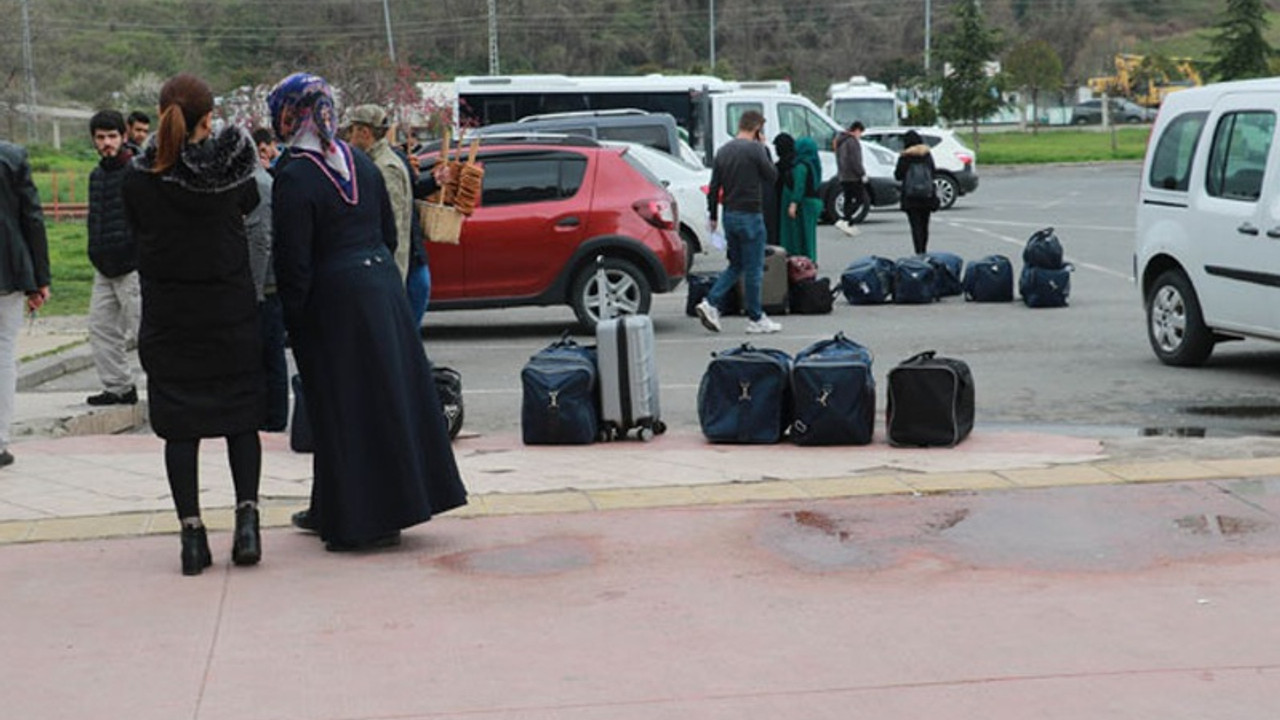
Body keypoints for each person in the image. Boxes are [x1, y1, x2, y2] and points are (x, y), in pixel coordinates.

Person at [267, 73, 466, 552]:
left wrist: (296, 322)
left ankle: (364, 518)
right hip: (380, 291)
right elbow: (390, 234)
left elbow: (294, 262)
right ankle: (336, 505)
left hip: (335, 301)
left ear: (289, 115)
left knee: (344, 407)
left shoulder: (294, 173)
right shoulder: (359, 161)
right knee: (386, 401)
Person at [121, 73, 265, 576]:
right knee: (240, 421)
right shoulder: (231, 173)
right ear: (209, 118)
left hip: (170, 320)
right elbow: (251, 206)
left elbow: (133, 230)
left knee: (180, 430)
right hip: (229, 314)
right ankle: (247, 524)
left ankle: (192, 537)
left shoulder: (138, 179)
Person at [695, 110, 780, 335]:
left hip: (729, 214)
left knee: (736, 264)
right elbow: (772, 176)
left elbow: (714, 188)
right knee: (753, 268)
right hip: (750, 214)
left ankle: (710, 302)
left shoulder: (723, 151)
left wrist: (713, 215)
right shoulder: (756, 149)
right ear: (757, 128)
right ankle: (756, 318)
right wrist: (765, 149)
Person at [85, 110, 142, 407]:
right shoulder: (96, 175)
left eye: (111, 136)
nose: (106, 143)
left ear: (123, 137)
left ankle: (164, 387)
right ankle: (119, 387)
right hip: (103, 267)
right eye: (100, 137)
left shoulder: (136, 170)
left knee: (144, 329)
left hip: (132, 266)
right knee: (101, 328)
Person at [0, 140, 51, 469]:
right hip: (9, 269)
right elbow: (32, 217)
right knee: (4, 352)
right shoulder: (12, 157)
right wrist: (40, 278)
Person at [343, 105, 414, 286]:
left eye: (351, 131)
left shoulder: (386, 168)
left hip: (385, 274)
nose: (348, 138)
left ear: (365, 132)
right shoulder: (372, 162)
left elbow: (391, 227)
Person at [244, 160, 288, 431]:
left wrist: (254, 290)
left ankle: (273, 418)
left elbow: (260, 240)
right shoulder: (261, 181)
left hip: (266, 285)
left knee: (270, 353)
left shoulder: (258, 185)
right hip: (268, 283)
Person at [894, 129, 939, 255]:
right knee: (925, 225)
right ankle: (924, 249)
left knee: (915, 226)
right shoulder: (926, 155)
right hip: (927, 196)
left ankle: (918, 251)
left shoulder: (905, 157)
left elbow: (898, 175)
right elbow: (933, 173)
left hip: (911, 197)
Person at [778, 136, 823, 262]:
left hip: (804, 204)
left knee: (799, 236)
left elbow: (799, 186)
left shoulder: (801, 166)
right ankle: (810, 260)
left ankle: (804, 263)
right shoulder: (814, 164)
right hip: (814, 203)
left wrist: (793, 203)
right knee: (809, 237)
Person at [834, 121, 869, 236]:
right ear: (857, 130)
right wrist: (862, 174)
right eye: (860, 133)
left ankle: (847, 223)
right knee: (859, 199)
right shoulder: (852, 142)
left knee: (848, 199)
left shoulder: (840, 141)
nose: (860, 136)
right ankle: (846, 220)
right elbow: (855, 161)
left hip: (843, 175)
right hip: (853, 176)